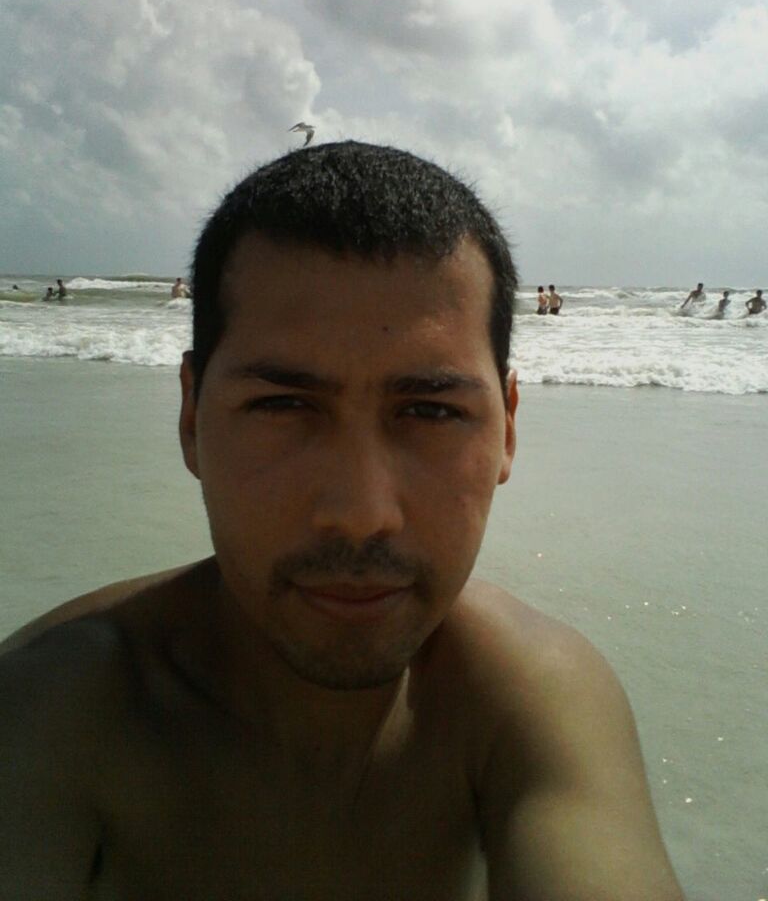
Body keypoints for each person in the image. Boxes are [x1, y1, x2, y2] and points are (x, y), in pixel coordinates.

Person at [0, 142, 684, 900]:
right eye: (283, 406)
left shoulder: (530, 702)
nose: (361, 514)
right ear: (192, 417)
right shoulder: (51, 709)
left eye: (429, 411)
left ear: (508, 430)